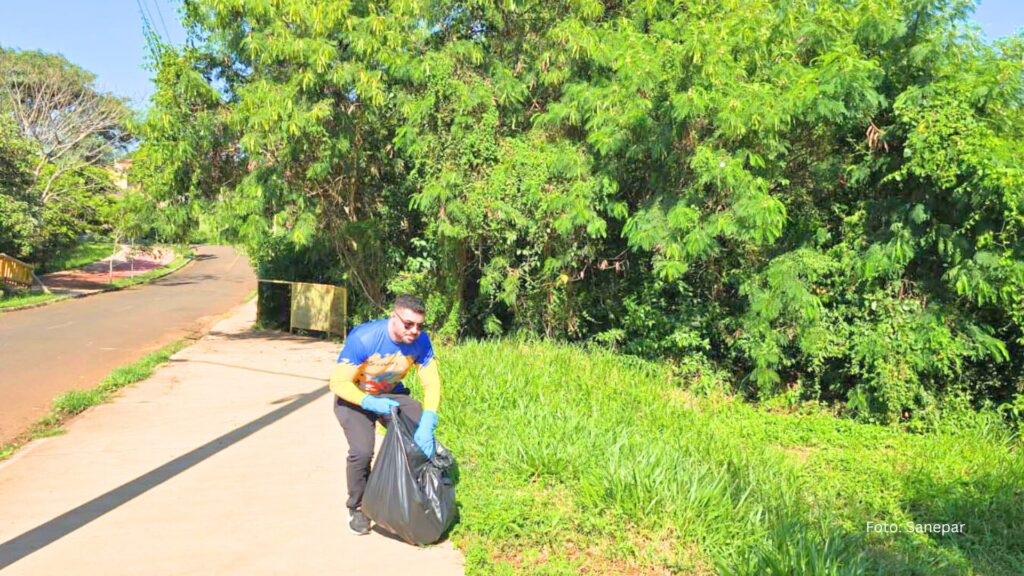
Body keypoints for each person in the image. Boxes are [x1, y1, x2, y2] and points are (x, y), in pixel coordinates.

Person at [328, 294, 442, 535]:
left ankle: (413, 494)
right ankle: (357, 506)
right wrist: (368, 401)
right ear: (394, 317)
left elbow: (431, 383)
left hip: (389, 394)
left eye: (420, 326)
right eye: (408, 324)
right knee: (362, 451)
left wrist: (429, 418)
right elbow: (338, 382)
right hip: (354, 397)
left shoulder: (421, 342)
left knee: (418, 430)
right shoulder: (365, 338)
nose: (414, 331)